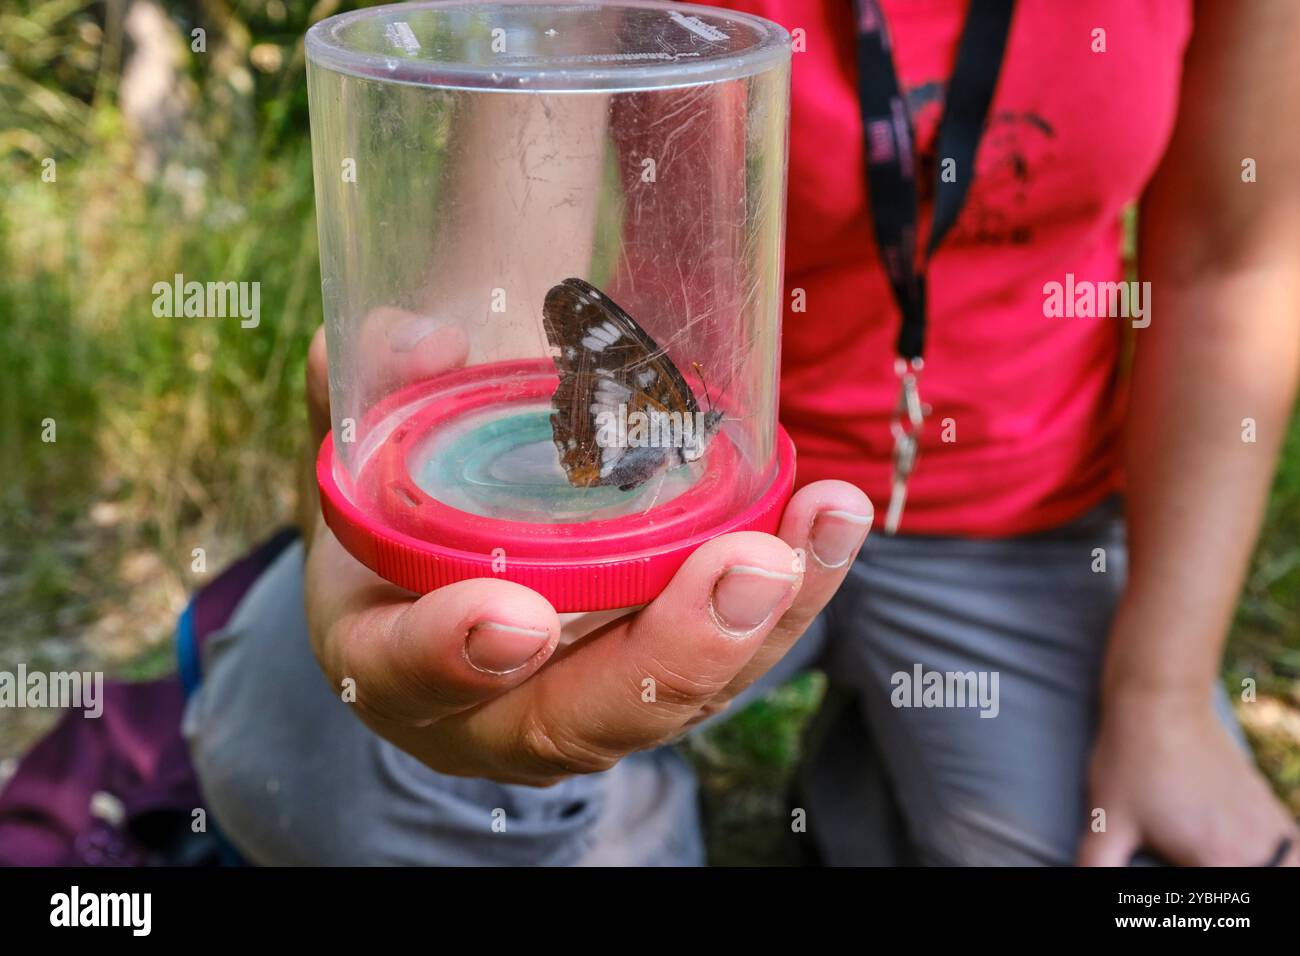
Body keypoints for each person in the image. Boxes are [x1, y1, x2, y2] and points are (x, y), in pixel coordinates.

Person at [184, 0, 1300, 865]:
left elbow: (1235, 263)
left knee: (1152, 864)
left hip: (1022, 513)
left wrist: (1162, 690)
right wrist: (454, 539)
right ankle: (655, 809)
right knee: (313, 758)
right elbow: (509, 299)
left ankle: (871, 779)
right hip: (690, 501)